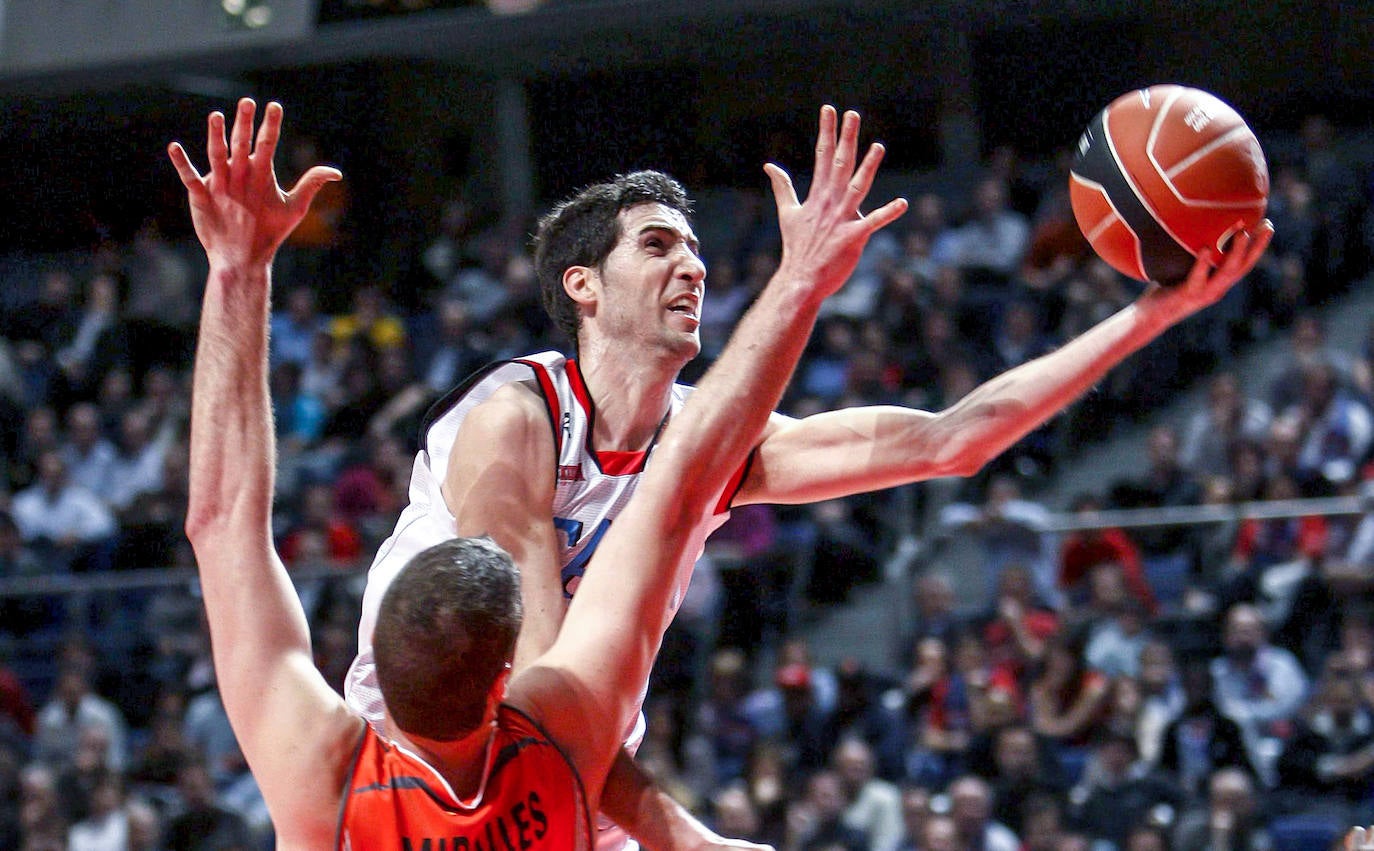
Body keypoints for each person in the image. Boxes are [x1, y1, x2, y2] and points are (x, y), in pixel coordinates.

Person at [343, 103, 1270, 849]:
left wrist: (1154, 316)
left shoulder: (709, 446)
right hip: (419, 783)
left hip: (572, 784)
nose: (693, 266)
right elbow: (536, 696)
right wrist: (686, 836)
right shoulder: (513, 418)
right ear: (582, 285)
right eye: (658, 246)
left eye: (698, 250)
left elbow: (956, 438)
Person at [170, 97, 904, 848]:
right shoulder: (533, 766)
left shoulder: (331, 793)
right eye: (657, 246)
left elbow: (221, 519)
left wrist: (235, 268)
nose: (692, 266)